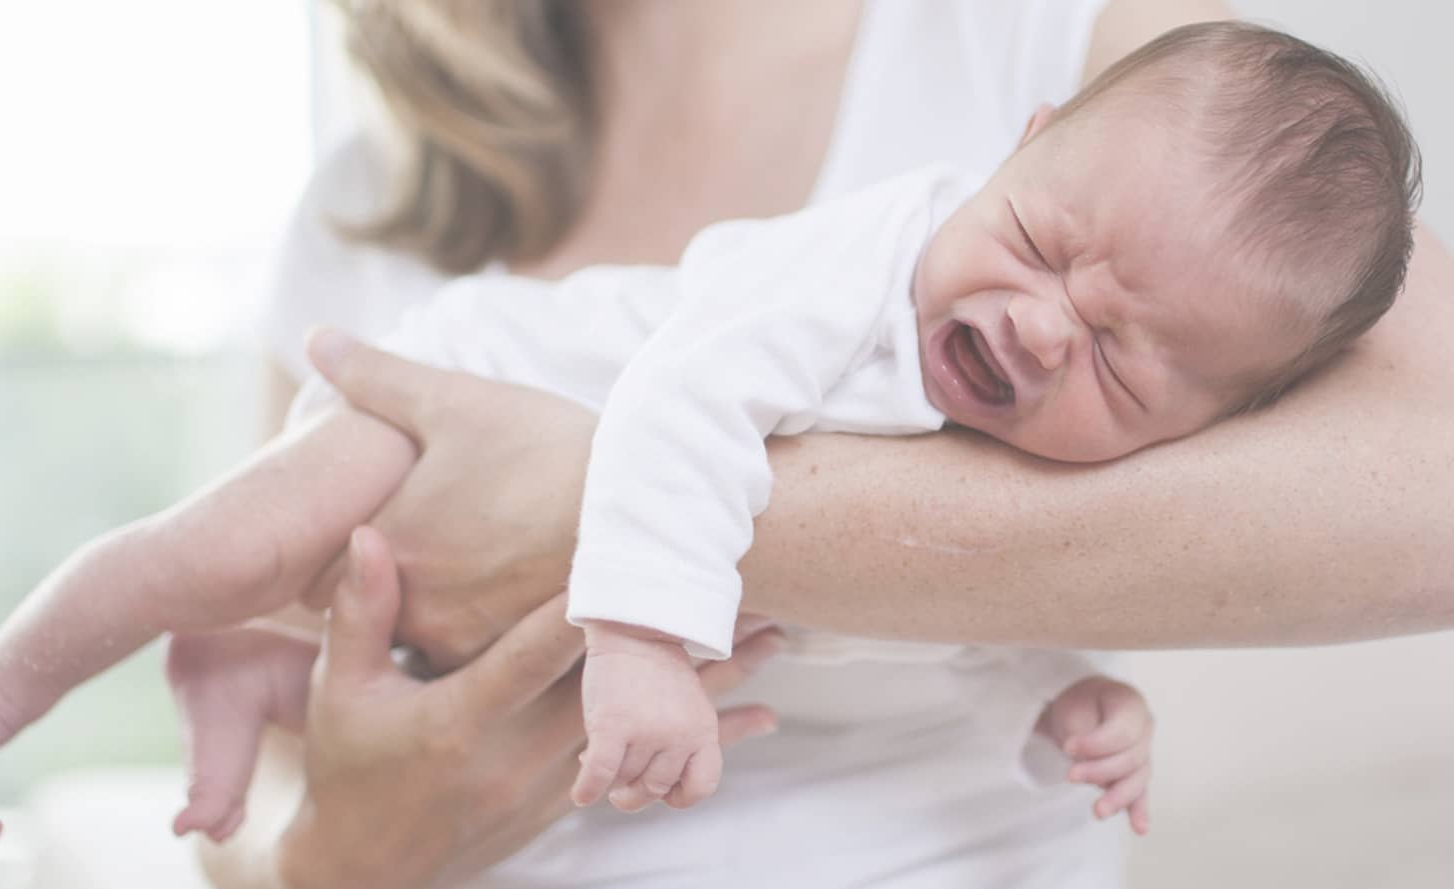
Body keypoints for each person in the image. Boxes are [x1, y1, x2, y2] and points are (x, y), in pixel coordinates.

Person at [223, 0, 1449, 887]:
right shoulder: (360, 205)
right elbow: (243, 741)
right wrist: (339, 855)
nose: (1038, 322)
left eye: (1116, 356)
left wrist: (594, 518)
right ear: (1015, 156)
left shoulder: (1075, 46)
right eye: (1029, 246)